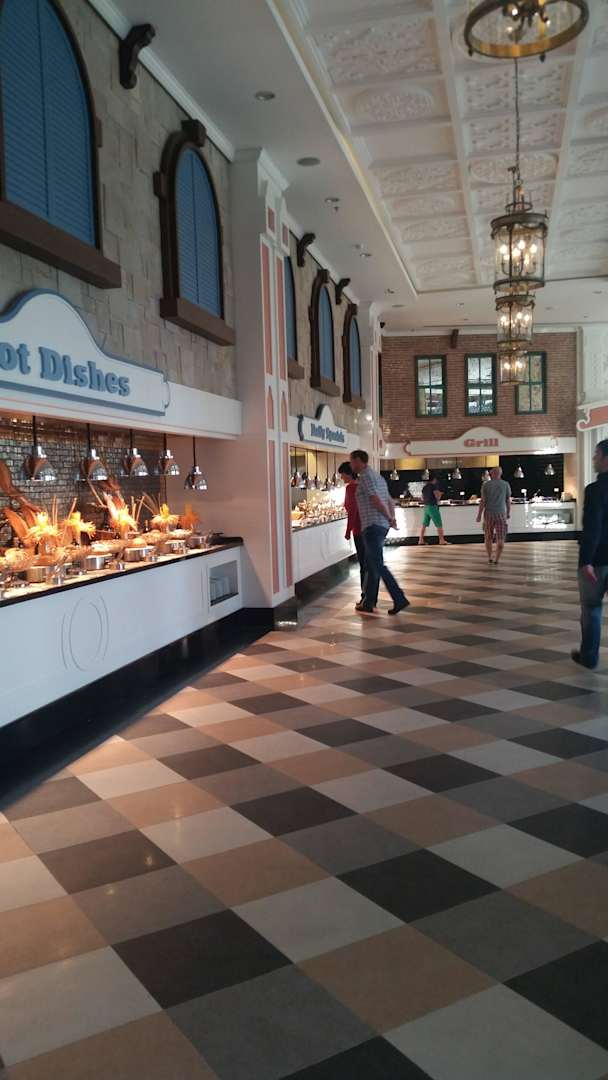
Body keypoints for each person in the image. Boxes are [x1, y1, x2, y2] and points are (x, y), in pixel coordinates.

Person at [350, 449, 409, 615]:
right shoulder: (378, 477)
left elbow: (375, 499)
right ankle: (369, 602)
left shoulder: (366, 477)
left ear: (358, 460)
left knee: (377, 564)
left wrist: (390, 517)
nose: (351, 464)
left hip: (372, 525)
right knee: (371, 564)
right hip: (380, 526)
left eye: (352, 461)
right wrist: (391, 518)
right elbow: (389, 500)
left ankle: (399, 598)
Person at [572, 438, 608, 670]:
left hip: (598, 560)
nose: (594, 459)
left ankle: (589, 656)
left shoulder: (595, 490)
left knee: (591, 609)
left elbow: (593, 527)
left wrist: (586, 561)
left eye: (597, 455)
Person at [338, 461, 366, 601]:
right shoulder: (362, 485)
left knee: (363, 565)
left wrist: (348, 530)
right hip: (368, 528)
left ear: (348, 474)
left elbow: (353, 511)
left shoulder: (351, 488)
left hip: (359, 530)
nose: (341, 477)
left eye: (342, 474)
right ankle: (369, 596)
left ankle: (365, 596)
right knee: (368, 564)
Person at [477, 466, 511, 565]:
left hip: (488, 514)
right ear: (500, 473)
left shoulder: (486, 485)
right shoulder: (505, 484)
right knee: (501, 538)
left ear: (491, 474)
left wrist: (479, 515)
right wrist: (508, 512)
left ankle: (490, 557)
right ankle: (497, 559)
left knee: (488, 537)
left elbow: (483, 501)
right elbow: (507, 500)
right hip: (501, 514)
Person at [419, 475, 450, 546]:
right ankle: (441, 540)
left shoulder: (424, 487)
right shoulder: (433, 486)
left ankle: (420, 540)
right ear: (434, 479)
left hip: (426, 507)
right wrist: (440, 494)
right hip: (432, 507)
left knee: (424, 524)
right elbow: (437, 496)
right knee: (439, 524)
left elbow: (422, 498)